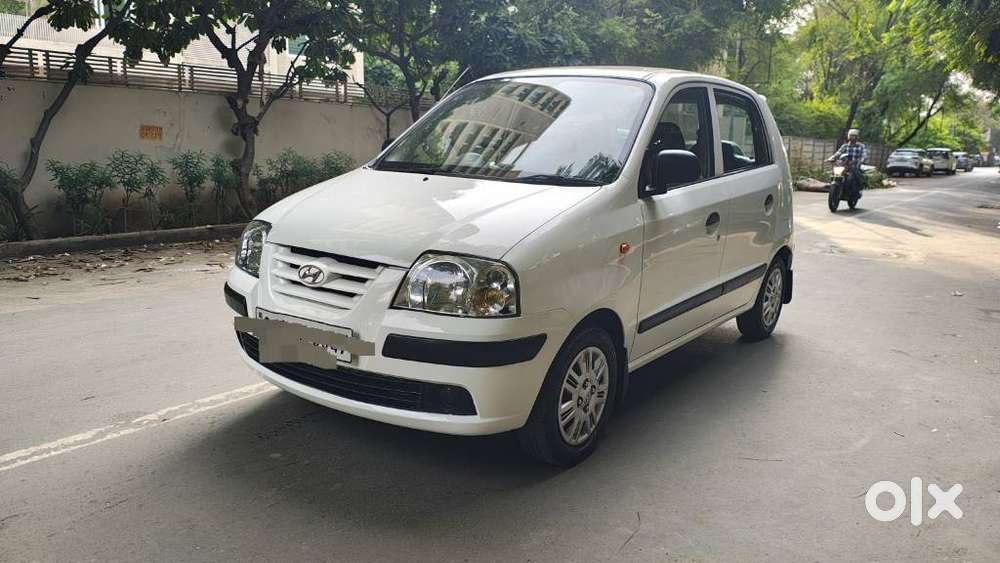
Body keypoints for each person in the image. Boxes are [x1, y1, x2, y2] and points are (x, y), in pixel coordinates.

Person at [828, 129, 867, 195]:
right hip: (844, 165)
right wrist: (831, 158)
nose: (852, 137)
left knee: (856, 177)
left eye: (854, 136)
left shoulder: (861, 146)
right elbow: (838, 153)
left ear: (857, 137)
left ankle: (857, 191)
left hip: (854, 166)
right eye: (851, 135)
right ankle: (835, 188)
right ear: (848, 136)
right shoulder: (845, 146)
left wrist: (862, 160)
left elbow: (864, 155)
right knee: (834, 174)